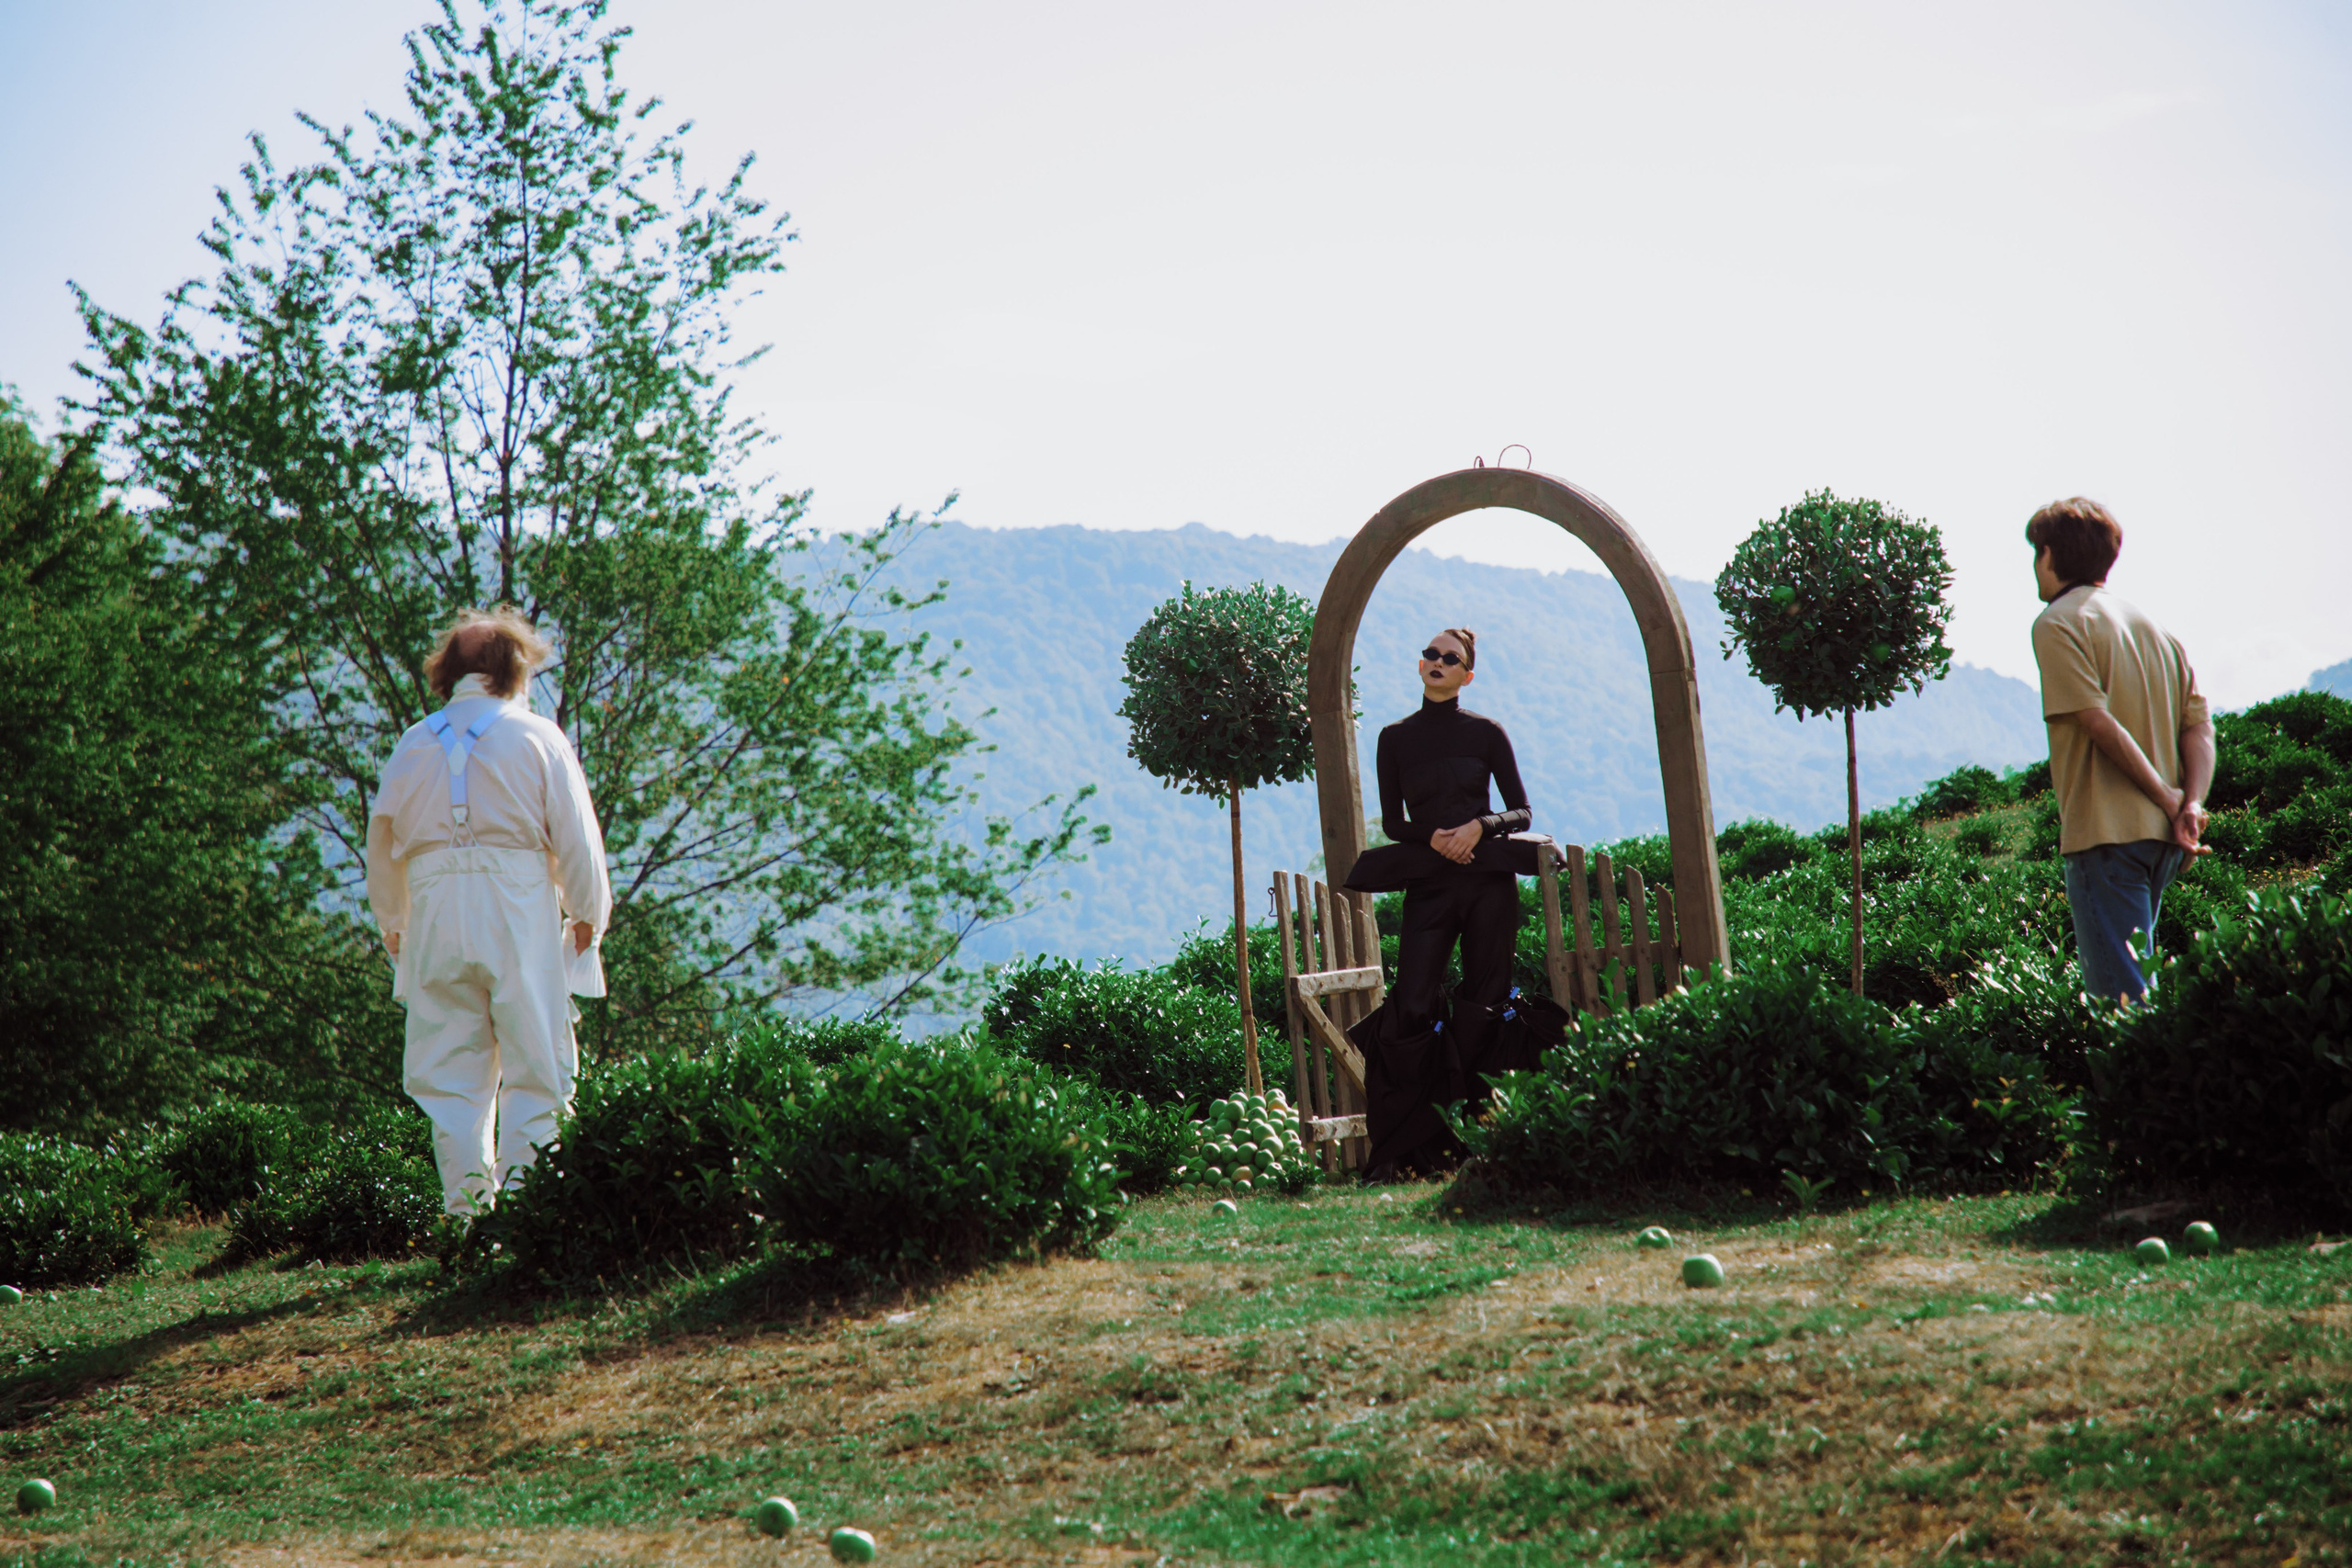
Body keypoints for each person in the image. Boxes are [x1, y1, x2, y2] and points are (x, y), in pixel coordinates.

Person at [366, 608, 612, 1215]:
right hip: (516, 903)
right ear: (514, 668)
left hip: (433, 912)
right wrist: (587, 915)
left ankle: (466, 1217)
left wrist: (393, 924)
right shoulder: (537, 737)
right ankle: (529, 1220)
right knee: (536, 1063)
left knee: (450, 1075)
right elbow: (576, 838)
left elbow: (382, 841)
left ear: (447, 673)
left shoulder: (413, 743)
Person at [1343, 627, 1535, 1178]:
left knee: (1487, 999)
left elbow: (1522, 812)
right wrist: (1435, 839)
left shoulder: (1488, 733)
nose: (1437, 661)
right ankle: (1406, 1153)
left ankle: (1487, 1144)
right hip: (1430, 884)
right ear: (1420, 665)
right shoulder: (1394, 738)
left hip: (1487, 884)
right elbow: (1394, 821)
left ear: (1466, 675)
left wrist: (1479, 826)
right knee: (1412, 1000)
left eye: (1450, 658)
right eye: (1430, 654)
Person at [2027, 498, 2212, 1004]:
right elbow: (2199, 728)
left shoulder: (2058, 623)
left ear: (2047, 555)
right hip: (2164, 842)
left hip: (2106, 835)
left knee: (2120, 1007)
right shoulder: (2158, 631)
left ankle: (2134, 1086)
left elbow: (2096, 723)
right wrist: (2189, 804)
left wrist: (2165, 796)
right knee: (2140, 989)